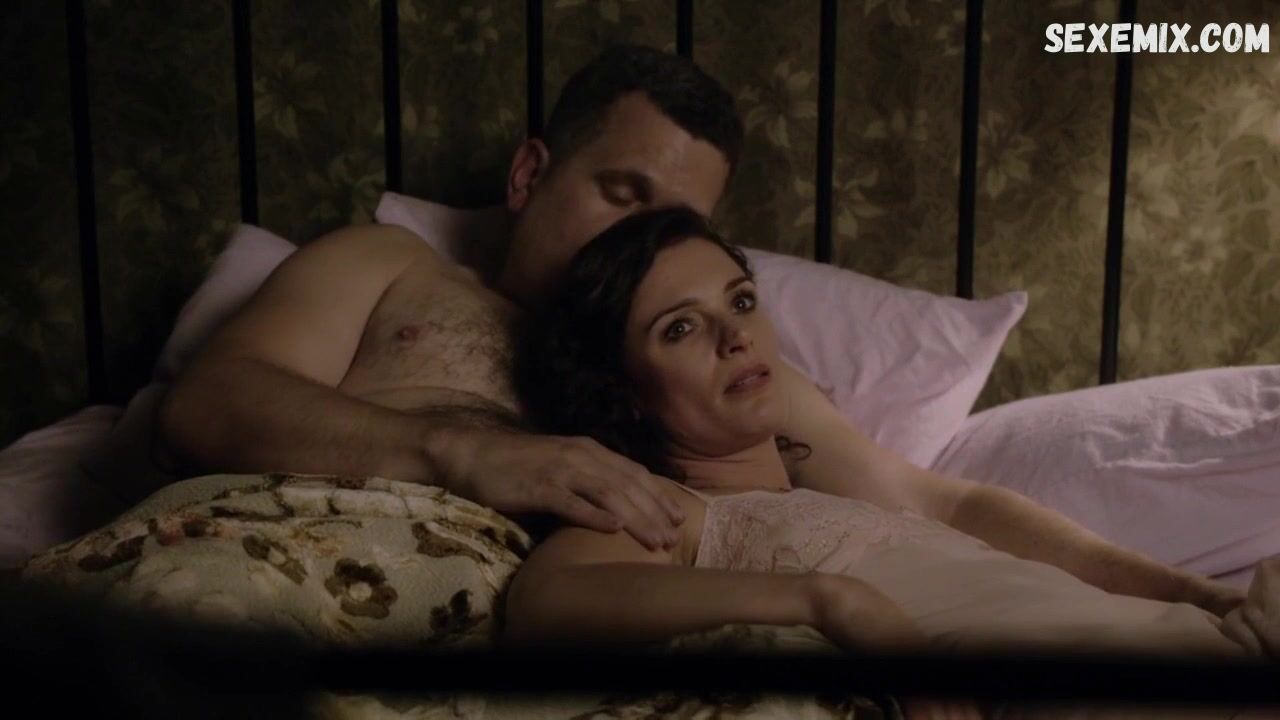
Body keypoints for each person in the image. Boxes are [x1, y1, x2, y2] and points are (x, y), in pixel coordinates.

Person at [160, 45, 1245, 617]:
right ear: (530, 173)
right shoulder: (388, 266)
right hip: (281, 564)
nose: (641, 239)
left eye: (674, 221)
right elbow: (210, 400)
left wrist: (1195, 602)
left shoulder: (724, 379)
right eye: (619, 193)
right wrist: (462, 451)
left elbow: (938, 503)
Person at [504, 206, 1274, 719]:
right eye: (680, 329)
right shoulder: (673, 511)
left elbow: (958, 505)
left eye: (740, 302)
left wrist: (1206, 599)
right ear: (621, 391)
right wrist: (828, 601)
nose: (735, 337)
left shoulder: (836, 490)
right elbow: (546, 600)